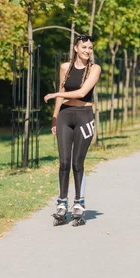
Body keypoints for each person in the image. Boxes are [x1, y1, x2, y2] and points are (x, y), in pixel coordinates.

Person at [44, 35, 101, 227]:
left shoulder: (94, 69)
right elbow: (62, 91)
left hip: (84, 116)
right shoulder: (64, 67)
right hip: (65, 117)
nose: (87, 50)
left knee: (78, 163)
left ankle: (79, 203)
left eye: (90, 48)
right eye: (84, 47)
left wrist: (56, 94)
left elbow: (82, 92)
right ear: (76, 48)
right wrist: (55, 117)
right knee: (64, 163)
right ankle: (61, 203)